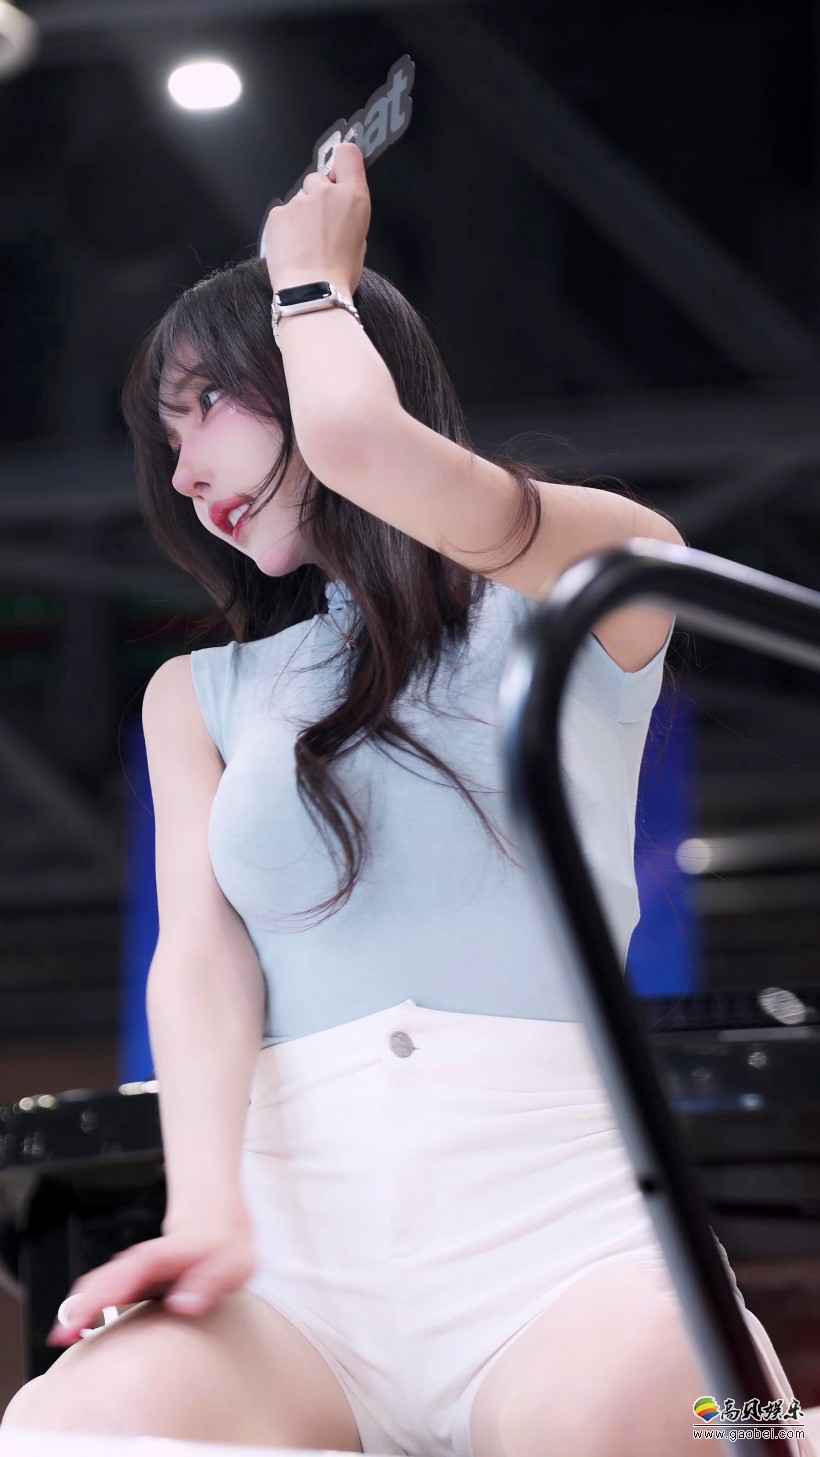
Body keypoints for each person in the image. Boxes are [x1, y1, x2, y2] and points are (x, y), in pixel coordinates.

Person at [2, 143, 813, 1457]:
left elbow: (359, 445)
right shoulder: (197, 695)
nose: (187, 471)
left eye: (208, 405)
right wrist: (202, 1210)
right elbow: (200, 960)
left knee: (716, 1423)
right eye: (168, 436)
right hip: (290, 1262)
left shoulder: (601, 572)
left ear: (314, 362)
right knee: (67, 1432)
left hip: (566, 1237)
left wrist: (308, 283)